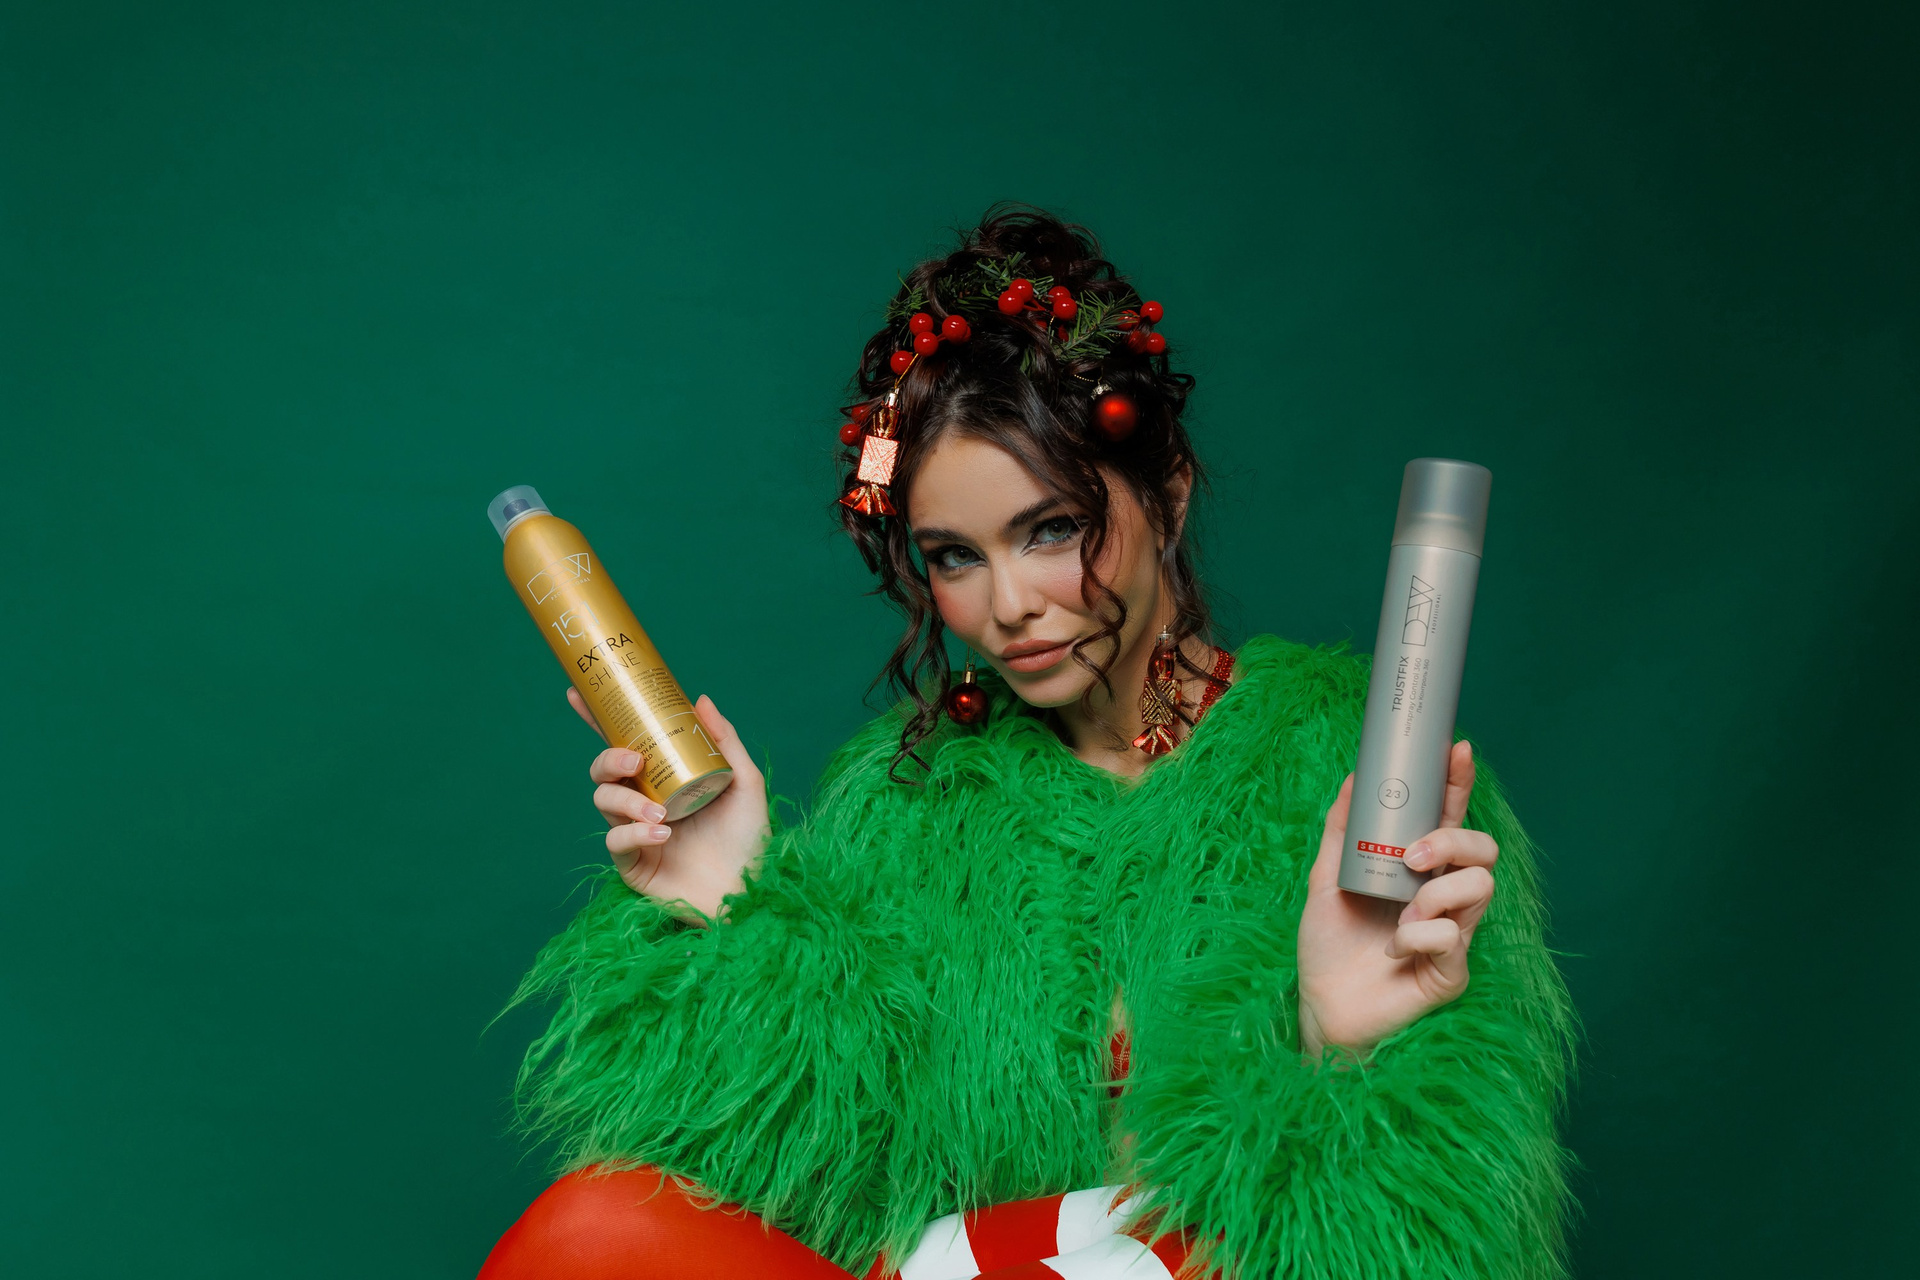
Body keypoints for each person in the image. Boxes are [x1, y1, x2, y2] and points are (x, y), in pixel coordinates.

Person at [479, 208, 1576, 1280]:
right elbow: (809, 1197)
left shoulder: (1363, 772)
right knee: (591, 1233)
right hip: (955, 1265)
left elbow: (1441, 1220)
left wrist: (1346, 1042)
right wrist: (728, 907)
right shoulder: (907, 797)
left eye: (1050, 530)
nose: (1008, 606)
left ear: (1167, 497)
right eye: (954, 556)